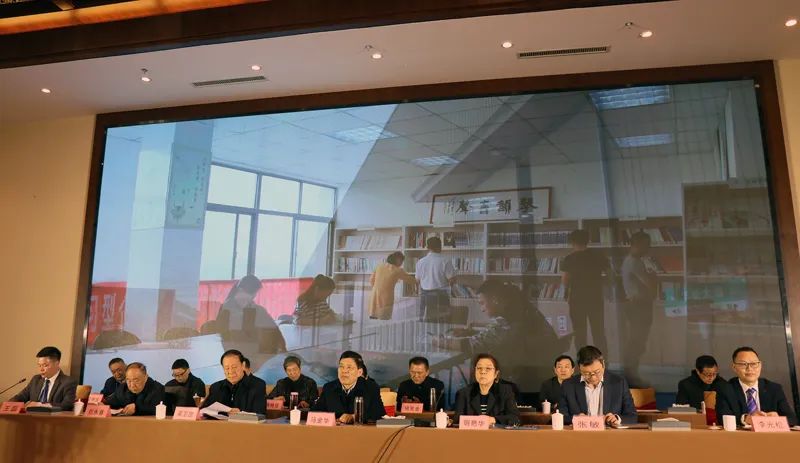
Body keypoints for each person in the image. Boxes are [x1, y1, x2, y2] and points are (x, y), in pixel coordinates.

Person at [438, 279, 564, 390]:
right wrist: (472, 332)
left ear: (495, 300)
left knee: (481, 360)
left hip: (525, 377)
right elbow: (505, 335)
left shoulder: (505, 321)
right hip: (542, 369)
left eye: (482, 303)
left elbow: (471, 345)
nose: (482, 309)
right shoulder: (522, 309)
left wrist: (435, 340)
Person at [716, 347, 797, 426]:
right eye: (743, 364)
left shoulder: (774, 389)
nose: (749, 368)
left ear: (760, 365)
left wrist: (778, 419)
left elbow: (792, 419)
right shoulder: (725, 389)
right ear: (734, 367)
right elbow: (722, 418)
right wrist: (745, 419)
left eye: (754, 364)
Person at [559, 346, 637, 426]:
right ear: (579, 368)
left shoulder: (619, 383)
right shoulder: (568, 385)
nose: (593, 377)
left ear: (603, 365)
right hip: (580, 433)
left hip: (609, 432)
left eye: (597, 372)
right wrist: (576, 419)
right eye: (587, 374)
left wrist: (617, 418)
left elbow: (632, 416)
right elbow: (560, 417)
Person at [561, 229, 609, 354]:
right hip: (595, 298)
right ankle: (603, 361)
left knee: (580, 334)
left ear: (572, 242)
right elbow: (610, 274)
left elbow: (565, 280)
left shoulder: (569, 259)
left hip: (577, 300)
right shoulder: (598, 255)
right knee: (598, 332)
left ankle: (582, 361)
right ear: (588, 241)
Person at [620, 231, 657, 385]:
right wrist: (654, 278)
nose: (648, 248)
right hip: (639, 306)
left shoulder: (630, 260)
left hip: (636, 304)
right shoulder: (635, 262)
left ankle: (631, 375)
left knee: (637, 341)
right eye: (646, 245)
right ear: (638, 245)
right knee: (637, 341)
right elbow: (650, 284)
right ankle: (631, 377)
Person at [216, 275, 286, 353]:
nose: (252, 298)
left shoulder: (254, 307)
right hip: (235, 351)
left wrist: (282, 348)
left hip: (253, 350)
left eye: (254, 295)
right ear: (240, 290)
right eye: (251, 294)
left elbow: (273, 328)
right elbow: (234, 334)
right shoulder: (227, 307)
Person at [312, 351, 384, 424]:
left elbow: (379, 414)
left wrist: (354, 417)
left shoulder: (371, 387)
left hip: (360, 430)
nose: (344, 371)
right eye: (341, 367)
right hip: (334, 430)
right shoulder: (329, 388)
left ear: (359, 372)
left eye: (349, 367)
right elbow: (315, 413)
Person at [453, 353, 520, 426]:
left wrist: (492, 420)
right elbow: (457, 421)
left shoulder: (505, 391)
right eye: (479, 368)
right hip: (472, 433)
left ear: (496, 374)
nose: (483, 372)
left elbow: (515, 419)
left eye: (488, 368)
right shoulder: (464, 393)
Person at [11, 346, 77, 411]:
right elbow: (21, 397)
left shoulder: (68, 382)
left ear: (57, 364)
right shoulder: (36, 379)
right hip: (32, 416)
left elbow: (67, 405)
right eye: (39, 365)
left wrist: (39, 405)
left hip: (53, 417)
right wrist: (8, 404)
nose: (41, 369)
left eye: (45, 365)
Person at [203, 349, 267, 414]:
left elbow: (260, 414)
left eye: (234, 367)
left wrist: (240, 413)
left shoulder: (258, 385)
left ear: (243, 365)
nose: (231, 371)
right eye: (227, 368)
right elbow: (204, 411)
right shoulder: (216, 387)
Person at [415, 236, 456, 322]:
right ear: (440, 246)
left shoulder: (420, 262)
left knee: (425, 323)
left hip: (424, 295)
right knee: (443, 323)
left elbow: (417, 280)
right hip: (440, 296)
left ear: (428, 247)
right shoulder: (445, 260)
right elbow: (452, 280)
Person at [369, 251, 417, 320]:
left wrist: (378, 288)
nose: (401, 263)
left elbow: (371, 280)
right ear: (398, 260)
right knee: (384, 319)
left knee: (373, 318)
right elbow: (411, 280)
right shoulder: (397, 270)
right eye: (402, 261)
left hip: (374, 295)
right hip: (386, 297)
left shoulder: (379, 266)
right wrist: (418, 280)